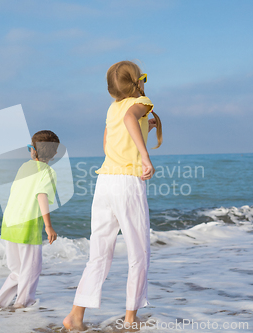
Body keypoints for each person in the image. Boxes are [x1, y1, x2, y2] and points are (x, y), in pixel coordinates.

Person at [63, 61, 163, 330]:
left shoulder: (112, 108)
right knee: (138, 251)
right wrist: (145, 157)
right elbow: (131, 118)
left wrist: (146, 128)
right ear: (138, 82)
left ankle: (75, 315)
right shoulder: (142, 101)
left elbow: (110, 142)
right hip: (127, 183)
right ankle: (131, 318)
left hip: (105, 181)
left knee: (99, 252)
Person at [0, 130, 59, 311]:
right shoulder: (48, 172)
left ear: (32, 150)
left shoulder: (24, 168)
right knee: (31, 269)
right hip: (28, 227)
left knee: (18, 271)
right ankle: (22, 304)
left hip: (10, 223)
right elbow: (41, 196)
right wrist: (49, 226)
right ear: (54, 154)